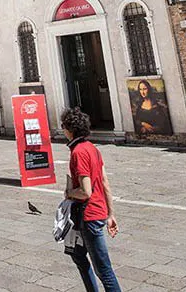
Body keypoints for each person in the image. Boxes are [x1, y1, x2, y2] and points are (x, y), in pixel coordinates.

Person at [62, 107, 121, 292]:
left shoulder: (78, 152)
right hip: (97, 213)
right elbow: (105, 183)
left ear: (70, 129)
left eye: (63, 126)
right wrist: (111, 214)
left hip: (89, 216)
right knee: (78, 255)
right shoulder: (92, 148)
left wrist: (69, 193)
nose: (62, 129)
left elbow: (86, 191)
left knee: (103, 269)